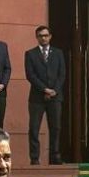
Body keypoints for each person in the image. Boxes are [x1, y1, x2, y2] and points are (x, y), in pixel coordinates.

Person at [25, 25, 66, 166]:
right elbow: (30, 75)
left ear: (50, 36)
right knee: (34, 128)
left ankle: (55, 156)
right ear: (37, 37)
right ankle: (35, 158)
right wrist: (44, 89)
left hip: (56, 96)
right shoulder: (30, 54)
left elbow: (62, 74)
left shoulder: (58, 53)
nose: (43, 38)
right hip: (37, 97)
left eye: (46, 35)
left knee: (55, 127)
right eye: (41, 36)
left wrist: (54, 90)